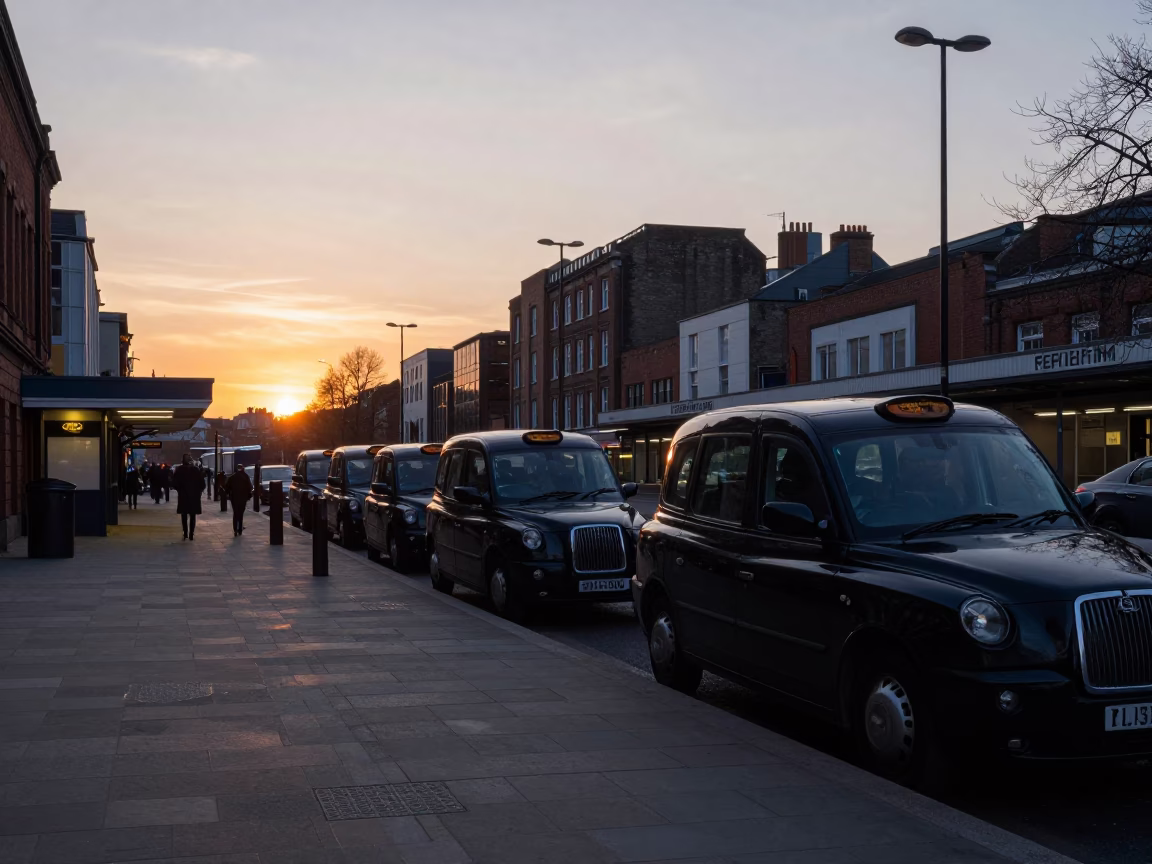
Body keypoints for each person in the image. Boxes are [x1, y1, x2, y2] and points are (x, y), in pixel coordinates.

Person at [172, 454, 206, 540]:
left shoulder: (179, 470)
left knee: (184, 515)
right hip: (194, 496)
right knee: (192, 515)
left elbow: (174, 483)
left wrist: (180, 490)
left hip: (183, 495)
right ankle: (191, 533)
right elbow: (202, 484)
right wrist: (198, 491)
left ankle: (185, 533)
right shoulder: (196, 470)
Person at [225, 463, 254, 536]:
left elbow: (227, 487)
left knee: (235, 513)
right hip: (243, 498)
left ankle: (235, 529)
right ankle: (240, 529)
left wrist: (228, 494)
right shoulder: (245, 477)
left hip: (234, 498)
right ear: (243, 468)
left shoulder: (232, 477)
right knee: (241, 513)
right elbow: (250, 487)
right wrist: (248, 495)